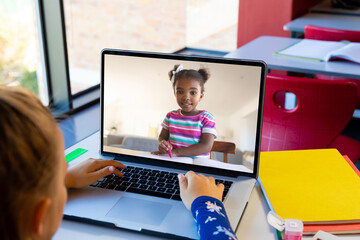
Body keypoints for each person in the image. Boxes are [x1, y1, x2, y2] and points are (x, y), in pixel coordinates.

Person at [0, 86, 236, 240]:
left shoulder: (206, 117)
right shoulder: (171, 116)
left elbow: (204, 145)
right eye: (62, 169)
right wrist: (206, 205)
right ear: (39, 217)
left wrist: (64, 179)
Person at [152, 64, 217, 158]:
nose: (186, 97)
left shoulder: (207, 118)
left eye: (193, 92)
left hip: (198, 165)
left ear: (201, 96)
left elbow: (206, 146)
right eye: (180, 92)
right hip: (174, 161)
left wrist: (176, 152)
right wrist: (162, 143)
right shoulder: (170, 116)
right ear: (175, 94)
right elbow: (162, 137)